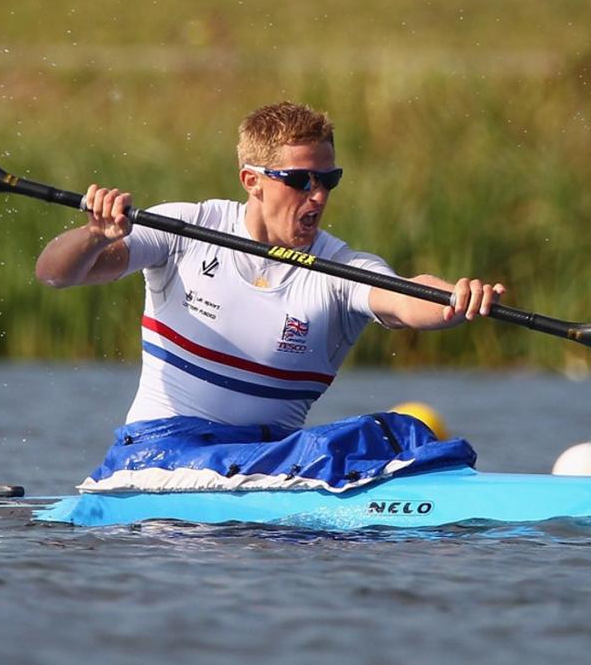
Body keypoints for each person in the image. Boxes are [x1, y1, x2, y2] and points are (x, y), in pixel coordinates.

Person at [35, 101, 504, 492]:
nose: (318, 196)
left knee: (402, 432)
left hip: (272, 463)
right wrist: (94, 236)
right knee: (346, 446)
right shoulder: (186, 229)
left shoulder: (339, 268)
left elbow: (405, 298)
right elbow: (55, 274)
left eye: (329, 180)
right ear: (251, 180)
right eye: (300, 181)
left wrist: (455, 297)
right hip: (159, 456)